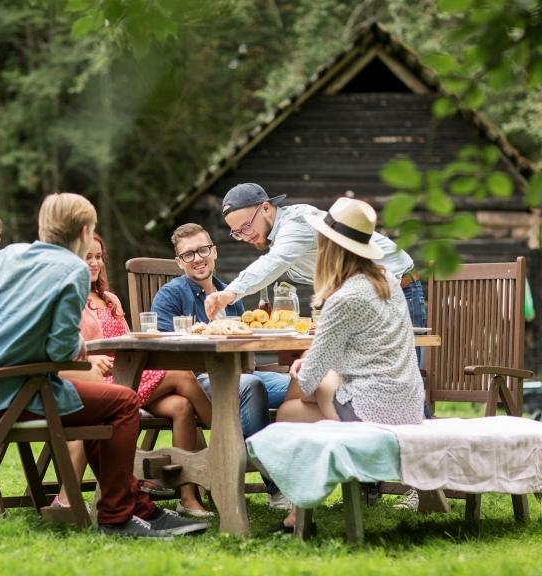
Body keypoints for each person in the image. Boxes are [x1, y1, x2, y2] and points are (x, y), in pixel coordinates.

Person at [0, 192, 209, 538]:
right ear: (85, 231)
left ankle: (140, 509)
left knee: (103, 405)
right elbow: (61, 351)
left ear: (43, 227)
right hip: (22, 391)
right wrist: (80, 343)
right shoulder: (71, 269)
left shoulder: (9, 255)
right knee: (124, 402)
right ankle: (117, 516)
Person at [271, 197, 424, 532]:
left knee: (288, 412)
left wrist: (303, 367)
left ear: (330, 247)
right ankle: (299, 508)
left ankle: (297, 509)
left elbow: (311, 381)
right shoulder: (387, 283)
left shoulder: (343, 299)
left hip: (374, 411)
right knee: (312, 381)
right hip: (410, 406)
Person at [55, 232, 214, 518]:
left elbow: (127, 341)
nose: (95, 263)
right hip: (100, 380)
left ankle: (187, 496)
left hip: (128, 374)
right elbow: (62, 345)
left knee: (182, 406)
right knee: (183, 376)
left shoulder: (110, 299)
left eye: (98, 257)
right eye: (87, 257)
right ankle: (226, 444)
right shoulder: (69, 298)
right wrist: (89, 356)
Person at [150, 222, 294, 511]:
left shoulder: (231, 293)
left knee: (300, 384)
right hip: (201, 379)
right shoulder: (171, 295)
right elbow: (165, 352)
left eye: (203, 250)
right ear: (179, 262)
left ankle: (315, 471)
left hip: (243, 374)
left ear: (214, 252)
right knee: (250, 387)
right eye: (188, 254)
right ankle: (276, 486)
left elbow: (247, 347)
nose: (198, 258)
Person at [203, 183, 425, 331]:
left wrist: (229, 293)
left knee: (401, 380)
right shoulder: (279, 234)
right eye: (237, 233)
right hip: (364, 298)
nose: (245, 236)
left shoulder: (296, 224)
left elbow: (275, 262)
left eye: (247, 226)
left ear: (266, 209)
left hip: (396, 290)